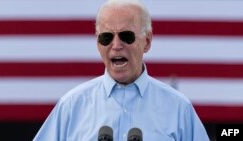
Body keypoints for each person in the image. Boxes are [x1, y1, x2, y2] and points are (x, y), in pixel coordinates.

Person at [33, 0, 210, 140]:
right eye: (106, 37)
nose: (116, 45)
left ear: (147, 41)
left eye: (126, 36)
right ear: (97, 43)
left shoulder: (179, 108)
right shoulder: (71, 107)